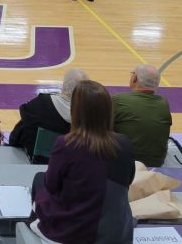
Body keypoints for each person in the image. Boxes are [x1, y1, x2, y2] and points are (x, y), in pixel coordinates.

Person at [31, 80, 135, 244]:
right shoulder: (125, 143)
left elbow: (52, 185)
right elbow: (128, 181)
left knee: (39, 180)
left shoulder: (66, 144)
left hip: (77, 233)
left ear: (76, 111)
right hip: (119, 233)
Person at [9, 69, 89, 160]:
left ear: (63, 86)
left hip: (38, 160)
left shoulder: (41, 103)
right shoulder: (92, 115)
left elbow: (18, 132)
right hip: (73, 163)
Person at [112, 64, 172, 167]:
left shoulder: (118, 100)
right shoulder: (164, 103)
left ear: (134, 78)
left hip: (125, 162)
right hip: (157, 161)